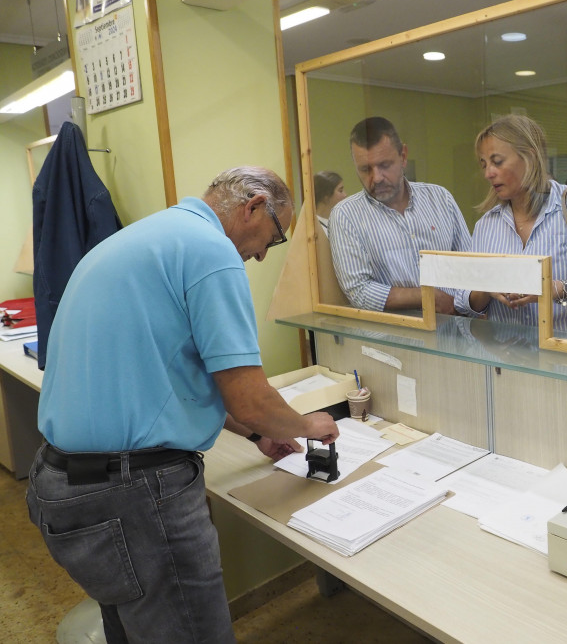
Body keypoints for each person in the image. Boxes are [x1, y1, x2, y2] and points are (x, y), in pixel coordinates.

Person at [26, 167, 340, 643]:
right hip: (134, 495)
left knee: (132, 628)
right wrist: (309, 424)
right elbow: (251, 398)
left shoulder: (141, 238)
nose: (259, 255)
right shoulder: (212, 252)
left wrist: (259, 433)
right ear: (254, 205)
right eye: (273, 239)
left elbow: (177, 376)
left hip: (61, 484)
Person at [454, 114, 567, 336]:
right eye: (484, 164)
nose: (488, 173)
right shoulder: (486, 225)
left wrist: (553, 289)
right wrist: (487, 288)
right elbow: (462, 301)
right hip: (508, 365)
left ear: (529, 156)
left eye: (497, 162)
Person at [328, 117, 472, 313]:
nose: (376, 178)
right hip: (395, 338)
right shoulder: (346, 216)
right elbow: (359, 291)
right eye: (365, 169)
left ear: (403, 156)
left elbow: (470, 267)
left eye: (384, 165)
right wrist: (430, 298)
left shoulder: (440, 199)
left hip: (456, 331)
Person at [313, 170, 346, 237]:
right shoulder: (313, 230)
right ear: (326, 196)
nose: (345, 195)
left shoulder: (340, 222)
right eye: (340, 191)